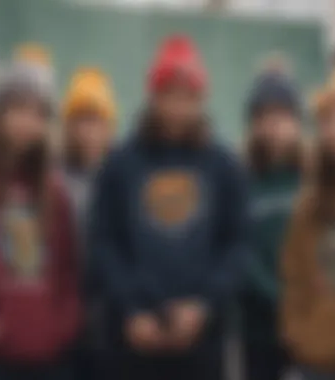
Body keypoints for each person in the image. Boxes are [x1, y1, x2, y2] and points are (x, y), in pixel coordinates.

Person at [90, 34, 251, 380]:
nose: (178, 106)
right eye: (169, 94)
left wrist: (204, 304)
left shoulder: (223, 166)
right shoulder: (121, 164)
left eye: (188, 96)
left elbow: (237, 243)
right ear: (153, 96)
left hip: (201, 340)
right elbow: (103, 242)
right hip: (133, 339)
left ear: (200, 99)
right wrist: (131, 308)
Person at [0, 63, 82, 379]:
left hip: (47, 357)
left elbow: (69, 273)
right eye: (19, 108)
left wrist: (57, 328)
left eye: (39, 113)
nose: (28, 121)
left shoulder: (55, 192)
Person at [281, 62, 335, 380]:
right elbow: (293, 278)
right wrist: (300, 335)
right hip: (312, 362)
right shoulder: (309, 205)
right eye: (329, 119)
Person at [239, 67, 304, 380]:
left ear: (296, 121)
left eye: (281, 115)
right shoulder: (241, 180)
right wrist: (277, 298)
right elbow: (240, 250)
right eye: (262, 116)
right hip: (259, 328)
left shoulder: (314, 178)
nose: (272, 125)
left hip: (312, 325)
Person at [61, 67, 117, 379]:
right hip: (64, 325)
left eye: (96, 121)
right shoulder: (54, 179)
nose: (88, 131)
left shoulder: (120, 179)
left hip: (110, 323)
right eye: (80, 120)